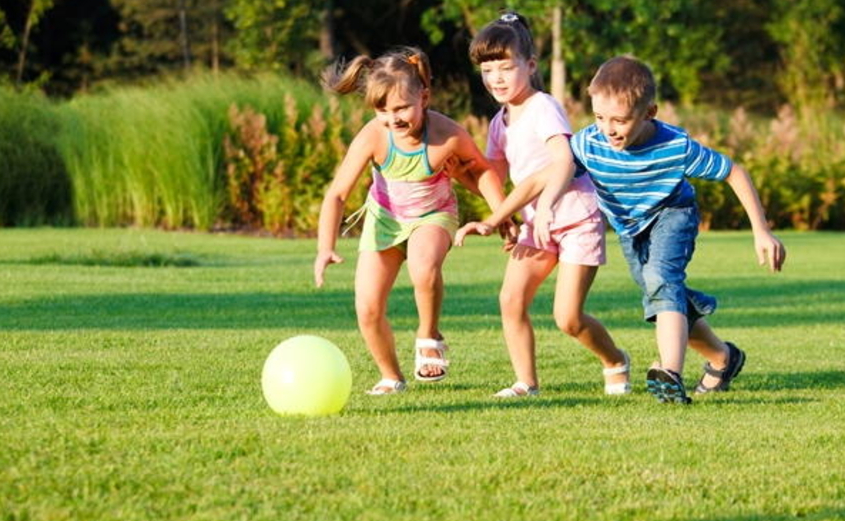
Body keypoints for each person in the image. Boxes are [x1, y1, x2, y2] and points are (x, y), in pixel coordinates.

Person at [535, 55, 785, 404]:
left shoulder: (674, 146)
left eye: (620, 120)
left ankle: (670, 373)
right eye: (600, 117)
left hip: (673, 213)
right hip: (629, 228)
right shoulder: (589, 142)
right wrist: (539, 206)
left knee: (661, 281)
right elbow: (559, 169)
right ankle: (722, 358)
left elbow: (733, 172)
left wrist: (762, 230)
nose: (608, 129)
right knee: (663, 295)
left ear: (649, 112)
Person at [454, 12, 630, 398]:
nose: (496, 77)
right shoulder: (500, 122)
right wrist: (454, 174)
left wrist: (547, 204)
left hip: (574, 217)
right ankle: (526, 383)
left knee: (567, 318)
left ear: (530, 66)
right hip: (537, 223)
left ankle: (615, 360)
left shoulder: (543, 107)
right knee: (510, 299)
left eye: (505, 67)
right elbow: (492, 178)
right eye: (487, 69)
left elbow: (563, 160)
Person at [314, 47, 509, 395]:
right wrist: (325, 247)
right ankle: (391, 376)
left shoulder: (446, 134)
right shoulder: (374, 135)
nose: (394, 118)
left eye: (402, 107)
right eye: (383, 110)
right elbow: (337, 195)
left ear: (425, 96)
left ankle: (428, 334)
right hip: (384, 221)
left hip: (433, 216)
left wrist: (502, 215)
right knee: (367, 308)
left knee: (423, 267)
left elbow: (481, 173)